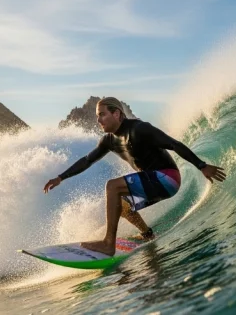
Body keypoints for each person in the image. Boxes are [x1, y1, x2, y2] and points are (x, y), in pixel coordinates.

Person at [43, 97, 226, 256]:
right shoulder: (109, 140)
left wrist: (201, 166)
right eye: (97, 116)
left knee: (112, 186)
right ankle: (147, 234)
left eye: (102, 114)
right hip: (153, 181)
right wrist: (61, 177)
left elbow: (174, 144)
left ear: (117, 114)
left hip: (168, 178)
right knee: (120, 205)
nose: (98, 120)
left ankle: (108, 244)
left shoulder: (139, 128)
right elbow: (87, 160)